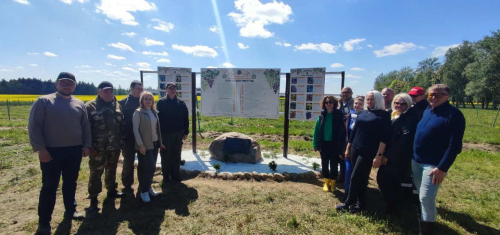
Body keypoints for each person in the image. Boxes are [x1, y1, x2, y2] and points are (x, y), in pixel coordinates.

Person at [28, 72, 91, 235]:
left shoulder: (79, 103)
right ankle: (44, 222)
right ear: (56, 84)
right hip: (51, 151)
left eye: (70, 83)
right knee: (49, 186)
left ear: (74, 86)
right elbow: (34, 127)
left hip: (74, 150)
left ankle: (71, 210)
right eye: (63, 82)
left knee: (71, 182)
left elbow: (85, 127)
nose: (67, 85)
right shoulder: (44, 101)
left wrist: (87, 145)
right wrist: (40, 148)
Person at [412, 84, 465, 234]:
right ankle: (423, 220)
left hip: (434, 165)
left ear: (447, 96)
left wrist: (442, 168)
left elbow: (454, 146)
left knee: (426, 197)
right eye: (431, 95)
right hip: (416, 161)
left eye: (438, 95)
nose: (433, 97)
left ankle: (427, 231)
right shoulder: (428, 110)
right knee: (421, 196)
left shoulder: (454, 115)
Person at [336, 90, 391, 213]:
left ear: (378, 100)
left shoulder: (383, 115)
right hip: (355, 147)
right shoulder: (363, 112)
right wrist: (348, 147)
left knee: (355, 177)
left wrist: (379, 155)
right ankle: (361, 204)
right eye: (368, 99)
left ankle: (348, 202)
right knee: (361, 178)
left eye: (372, 99)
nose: (369, 101)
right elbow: (355, 131)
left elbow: (384, 137)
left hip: (368, 151)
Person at [85, 81, 126, 212]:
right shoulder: (90, 106)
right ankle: (93, 198)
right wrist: (88, 145)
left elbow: (122, 126)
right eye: (105, 91)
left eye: (111, 91)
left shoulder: (117, 105)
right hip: (97, 148)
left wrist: (122, 142)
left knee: (112, 169)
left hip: (114, 146)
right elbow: (85, 129)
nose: (109, 93)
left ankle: (112, 190)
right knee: (96, 173)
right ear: (99, 91)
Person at [375, 93, 418, 213]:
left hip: (397, 157)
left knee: (385, 179)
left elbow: (404, 140)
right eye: (396, 103)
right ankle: (392, 204)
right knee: (388, 180)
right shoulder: (394, 115)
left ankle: (392, 207)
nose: (398, 105)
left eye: (402, 103)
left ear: (408, 104)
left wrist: (388, 155)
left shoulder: (408, 118)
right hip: (388, 153)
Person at [132, 92, 165, 202]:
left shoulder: (154, 112)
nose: (148, 101)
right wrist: (140, 145)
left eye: (150, 99)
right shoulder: (138, 113)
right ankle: (144, 191)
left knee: (150, 167)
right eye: (145, 98)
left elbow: (157, 129)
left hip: (155, 143)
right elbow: (135, 130)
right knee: (150, 167)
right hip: (145, 145)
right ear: (141, 100)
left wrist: (160, 142)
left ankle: (148, 187)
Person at [157, 82, 189, 184]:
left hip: (178, 133)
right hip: (165, 134)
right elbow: (157, 120)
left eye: (174, 88)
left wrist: (186, 132)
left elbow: (185, 118)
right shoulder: (161, 103)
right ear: (166, 90)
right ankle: (166, 176)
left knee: (176, 155)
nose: (172, 90)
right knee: (166, 155)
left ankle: (175, 174)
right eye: (170, 88)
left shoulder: (181, 103)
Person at [312, 96, 346, 192]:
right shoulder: (322, 116)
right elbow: (316, 131)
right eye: (326, 102)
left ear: (334, 103)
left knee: (334, 164)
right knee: (324, 163)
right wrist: (315, 144)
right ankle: (326, 183)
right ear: (324, 104)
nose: (328, 104)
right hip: (324, 144)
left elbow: (343, 132)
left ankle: (333, 183)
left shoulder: (339, 116)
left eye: (330, 102)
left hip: (335, 144)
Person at [119, 80, 143, 193]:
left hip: (143, 138)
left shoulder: (144, 101)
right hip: (128, 138)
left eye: (141, 89)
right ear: (131, 89)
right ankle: (127, 185)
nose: (140, 91)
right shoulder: (122, 103)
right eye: (138, 88)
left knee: (143, 162)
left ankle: (143, 183)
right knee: (128, 162)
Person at [343, 96, 364, 195]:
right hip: (349, 148)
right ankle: (347, 192)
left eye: (360, 104)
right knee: (348, 169)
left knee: (359, 171)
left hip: (361, 148)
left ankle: (357, 193)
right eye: (356, 103)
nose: (358, 106)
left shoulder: (367, 116)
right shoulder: (348, 116)